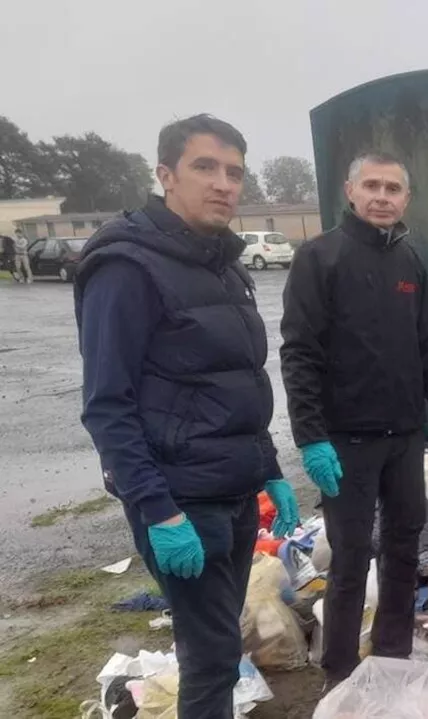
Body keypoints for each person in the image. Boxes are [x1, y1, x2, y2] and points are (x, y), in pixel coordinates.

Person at [74, 115, 300, 719]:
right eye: (206, 167)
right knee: (212, 657)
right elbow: (106, 406)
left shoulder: (223, 264)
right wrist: (157, 509)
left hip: (233, 491)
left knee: (223, 643)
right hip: (180, 501)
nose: (224, 184)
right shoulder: (127, 267)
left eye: (234, 172)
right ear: (166, 175)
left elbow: (239, 383)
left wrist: (269, 468)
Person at [280, 152, 428, 686]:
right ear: (351, 191)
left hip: (404, 438)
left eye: (393, 188)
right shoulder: (320, 258)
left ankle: (392, 657)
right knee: (351, 558)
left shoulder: (410, 263)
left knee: (404, 548)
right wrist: (311, 438)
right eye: (372, 186)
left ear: (406, 199)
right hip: (346, 442)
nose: (382, 197)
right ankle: (338, 673)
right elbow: (300, 354)